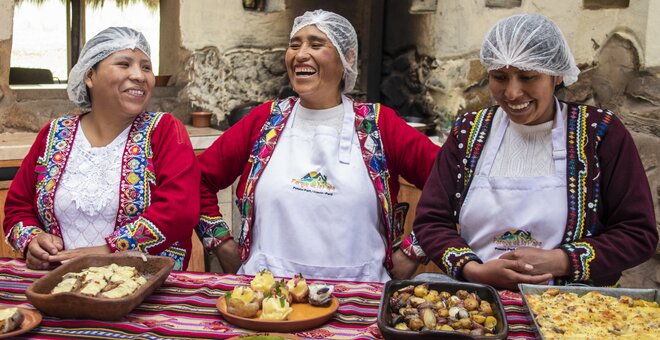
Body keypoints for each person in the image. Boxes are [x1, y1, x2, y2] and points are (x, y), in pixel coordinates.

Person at [413, 14, 657, 290]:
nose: (513, 92)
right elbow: (431, 221)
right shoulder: (468, 132)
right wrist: (474, 270)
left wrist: (561, 261)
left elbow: (638, 233)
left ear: (557, 75)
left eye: (528, 77)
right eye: (499, 77)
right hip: (476, 304)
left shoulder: (600, 133)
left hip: (575, 312)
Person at [197, 10, 439, 282]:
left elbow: (450, 185)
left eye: (315, 44)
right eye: (294, 44)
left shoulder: (379, 126)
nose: (300, 54)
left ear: (347, 58)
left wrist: (412, 252)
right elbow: (196, 179)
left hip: (359, 301)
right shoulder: (263, 121)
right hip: (266, 300)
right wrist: (220, 243)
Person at [4, 27, 200, 271]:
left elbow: (180, 210)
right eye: (124, 64)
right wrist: (33, 241)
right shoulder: (54, 134)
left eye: (146, 67)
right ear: (89, 76)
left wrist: (108, 251)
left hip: (144, 288)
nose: (139, 75)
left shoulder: (164, 131)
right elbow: (17, 208)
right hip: (60, 285)